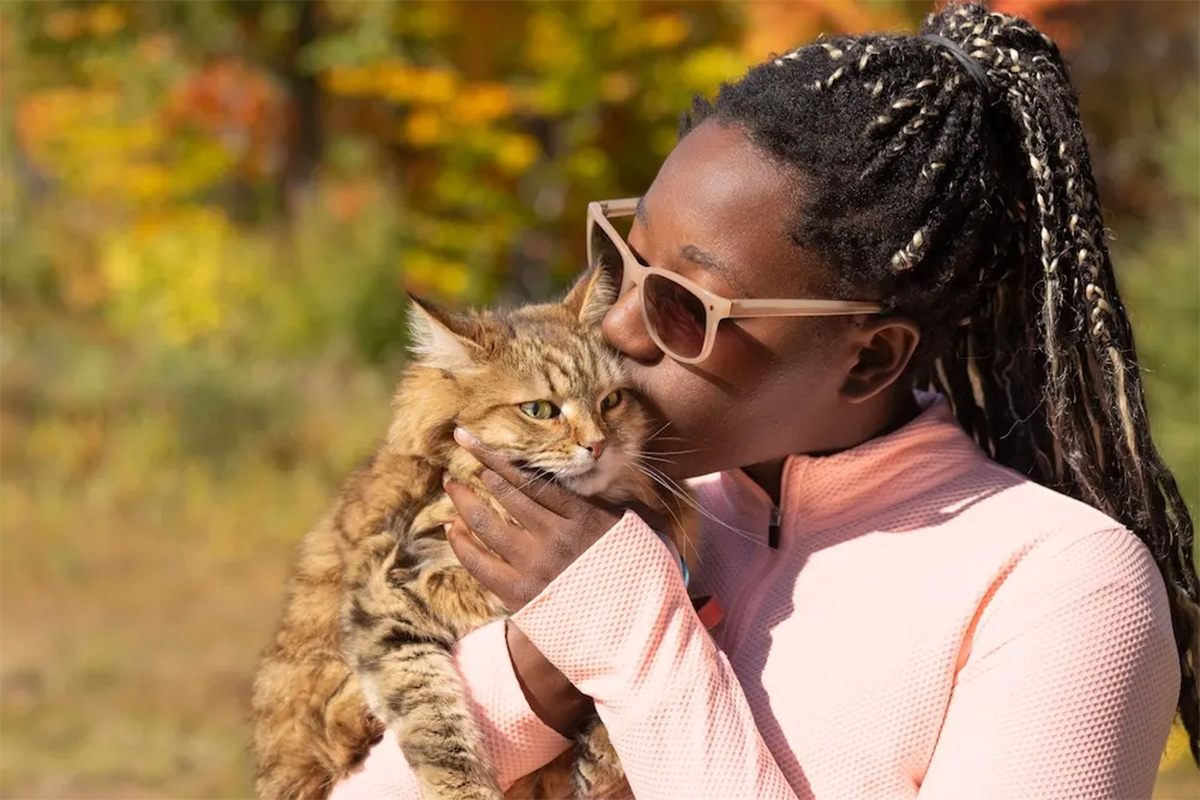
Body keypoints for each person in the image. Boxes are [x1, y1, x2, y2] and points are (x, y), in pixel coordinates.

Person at [330, 4, 1198, 798]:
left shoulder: (1061, 588)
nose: (618, 332)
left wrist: (635, 639)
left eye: (682, 306)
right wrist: (525, 677)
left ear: (868, 360)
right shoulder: (625, 518)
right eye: (622, 266)